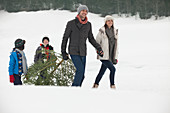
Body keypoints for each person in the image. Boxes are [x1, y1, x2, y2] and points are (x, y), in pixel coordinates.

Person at [61, 5, 104, 87]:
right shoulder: (71, 24)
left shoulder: (88, 25)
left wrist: (99, 48)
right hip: (73, 51)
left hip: (83, 52)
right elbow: (65, 38)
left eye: (86, 11)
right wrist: (63, 52)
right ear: (79, 12)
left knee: (82, 74)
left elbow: (91, 38)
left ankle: (78, 90)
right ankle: (74, 89)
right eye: (83, 11)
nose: (84, 12)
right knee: (80, 71)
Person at [92, 15, 119, 89]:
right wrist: (99, 51)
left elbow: (116, 46)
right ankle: (112, 85)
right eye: (108, 21)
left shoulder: (115, 31)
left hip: (111, 55)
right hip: (103, 55)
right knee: (113, 69)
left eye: (111, 21)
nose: (110, 22)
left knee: (102, 71)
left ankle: (95, 85)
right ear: (105, 22)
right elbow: (97, 43)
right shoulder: (102, 31)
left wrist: (115, 57)